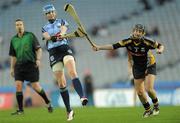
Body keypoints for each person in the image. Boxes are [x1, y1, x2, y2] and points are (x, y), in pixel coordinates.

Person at [92, 24, 164, 118]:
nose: (137, 33)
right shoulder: (127, 41)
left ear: (143, 33)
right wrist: (99, 47)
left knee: (149, 89)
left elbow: (160, 46)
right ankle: (148, 110)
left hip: (149, 65)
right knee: (140, 92)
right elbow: (113, 46)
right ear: (133, 31)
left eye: (139, 31)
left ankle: (156, 106)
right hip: (137, 67)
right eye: (136, 31)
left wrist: (160, 50)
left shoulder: (147, 41)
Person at [42, 4, 88, 121]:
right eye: (48, 13)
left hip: (64, 48)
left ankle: (82, 96)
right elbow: (46, 36)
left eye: (52, 12)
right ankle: (69, 110)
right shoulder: (44, 27)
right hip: (53, 53)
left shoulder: (62, 21)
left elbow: (64, 29)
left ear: (55, 12)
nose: (50, 14)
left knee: (72, 72)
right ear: (45, 15)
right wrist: (51, 37)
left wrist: (61, 34)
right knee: (61, 83)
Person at [9, 19, 53, 115]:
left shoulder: (30, 36)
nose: (19, 26)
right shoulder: (13, 40)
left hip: (31, 65)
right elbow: (13, 56)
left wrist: (38, 60)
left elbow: (39, 49)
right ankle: (21, 110)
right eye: (17, 25)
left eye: (20, 24)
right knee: (18, 85)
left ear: (23, 25)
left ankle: (47, 101)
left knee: (35, 86)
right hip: (19, 67)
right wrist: (12, 68)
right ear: (15, 27)